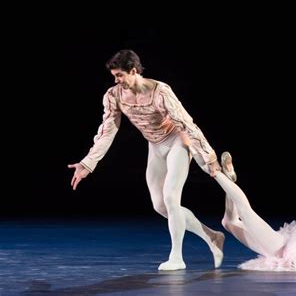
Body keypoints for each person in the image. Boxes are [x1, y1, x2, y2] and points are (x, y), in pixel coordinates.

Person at [68, 49, 225, 271]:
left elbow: (186, 123)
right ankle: (212, 237)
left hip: (177, 142)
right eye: (114, 76)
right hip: (155, 146)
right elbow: (107, 132)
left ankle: (177, 258)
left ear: (133, 71)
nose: (116, 80)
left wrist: (208, 156)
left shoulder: (160, 92)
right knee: (161, 206)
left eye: (120, 75)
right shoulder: (114, 96)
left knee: (171, 198)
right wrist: (87, 164)